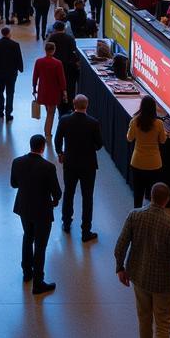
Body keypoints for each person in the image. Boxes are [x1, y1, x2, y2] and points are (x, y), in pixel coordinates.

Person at [114, 182, 170, 338]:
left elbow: (121, 245)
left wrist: (120, 268)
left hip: (139, 277)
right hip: (165, 284)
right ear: (167, 200)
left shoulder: (134, 216)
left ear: (151, 196)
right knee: (163, 324)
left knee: (144, 319)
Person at [9, 134, 62, 296]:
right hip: (42, 211)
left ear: (30, 145)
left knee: (27, 236)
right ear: (43, 148)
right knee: (40, 246)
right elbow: (57, 193)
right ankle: (38, 283)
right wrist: (54, 201)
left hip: (24, 208)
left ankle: (27, 272)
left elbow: (13, 184)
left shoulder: (17, 162)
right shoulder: (48, 167)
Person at [54, 93, 103, 241]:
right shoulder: (93, 123)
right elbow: (99, 144)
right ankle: (86, 231)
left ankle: (67, 223)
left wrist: (60, 153)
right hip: (88, 165)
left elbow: (57, 139)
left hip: (70, 162)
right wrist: (89, 147)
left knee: (69, 193)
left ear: (74, 105)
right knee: (87, 197)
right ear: (86, 106)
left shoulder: (65, 120)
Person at [127, 94, 166, 209]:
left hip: (138, 162)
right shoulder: (159, 124)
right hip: (154, 164)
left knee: (138, 193)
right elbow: (163, 141)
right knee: (153, 194)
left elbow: (129, 138)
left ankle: (137, 215)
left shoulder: (135, 122)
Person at [32, 41, 67, 138]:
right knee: (51, 113)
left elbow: (35, 76)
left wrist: (34, 88)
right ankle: (47, 133)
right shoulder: (58, 63)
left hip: (43, 90)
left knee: (48, 111)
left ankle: (47, 131)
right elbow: (61, 79)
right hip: (54, 91)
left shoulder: (39, 61)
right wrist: (64, 91)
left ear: (45, 50)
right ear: (54, 50)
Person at [0, 26, 24, 120]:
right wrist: (20, 68)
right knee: (10, 93)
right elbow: (19, 57)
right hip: (11, 73)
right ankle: (8, 113)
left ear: (2, 33)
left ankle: (0, 111)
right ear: (9, 33)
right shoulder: (15, 45)